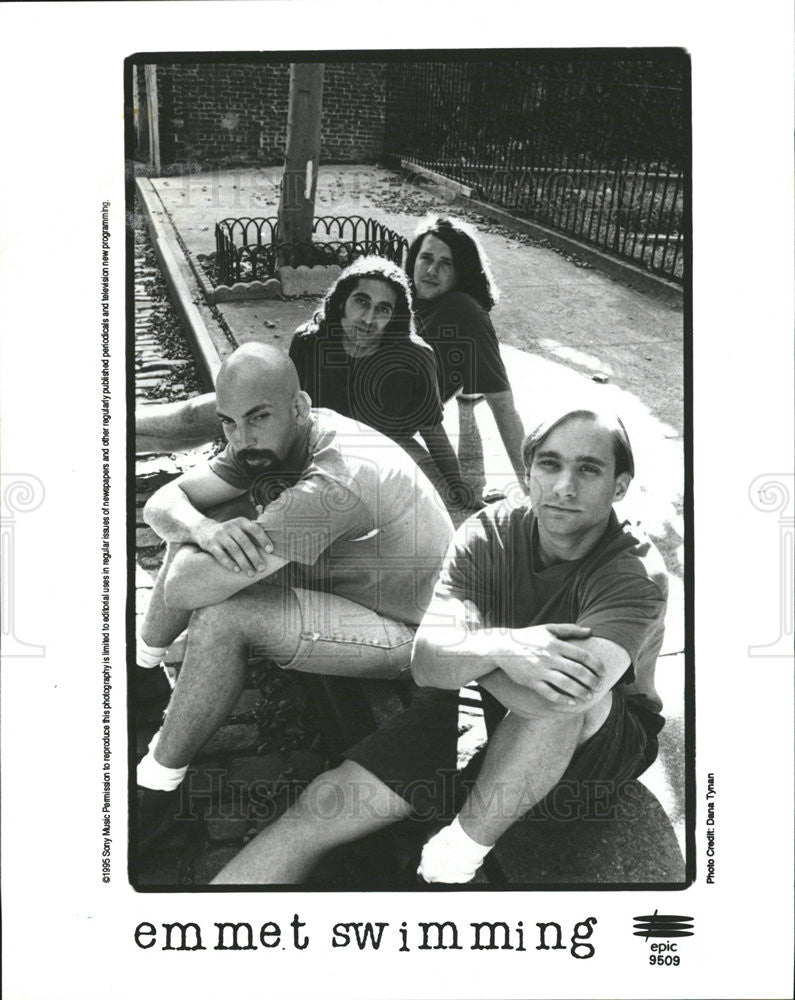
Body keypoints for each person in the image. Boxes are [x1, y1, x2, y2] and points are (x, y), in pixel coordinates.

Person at [210, 406, 668, 885]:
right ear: (529, 470)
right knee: (318, 811)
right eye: (550, 464)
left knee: (562, 689)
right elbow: (426, 663)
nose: (563, 487)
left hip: (598, 741)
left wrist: (471, 650)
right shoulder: (490, 531)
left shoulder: (633, 572)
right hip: (477, 699)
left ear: (619, 486)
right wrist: (504, 647)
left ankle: (456, 857)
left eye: (588, 469)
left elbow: (562, 696)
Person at [135, 342, 454, 851]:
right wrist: (200, 525)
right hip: (350, 583)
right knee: (214, 527)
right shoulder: (270, 439)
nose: (241, 439)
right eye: (228, 423)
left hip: (407, 632)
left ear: (298, 407)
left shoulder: (334, 482)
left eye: (257, 417)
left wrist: (207, 532)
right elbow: (163, 503)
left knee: (224, 612)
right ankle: (144, 671)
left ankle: (156, 789)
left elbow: (184, 586)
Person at [136, 256, 476, 509]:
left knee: (426, 500)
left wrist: (459, 488)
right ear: (342, 300)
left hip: (366, 449)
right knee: (196, 417)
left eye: (383, 309)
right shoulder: (311, 340)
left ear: (395, 317)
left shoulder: (415, 358)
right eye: (361, 302)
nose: (369, 319)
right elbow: (286, 408)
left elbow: (432, 431)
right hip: (296, 427)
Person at [406, 215, 526, 485]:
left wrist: (530, 488)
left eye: (445, 264)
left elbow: (503, 407)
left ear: (462, 272)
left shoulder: (465, 313)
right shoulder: (402, 297)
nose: (431, 271)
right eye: (426, 258)